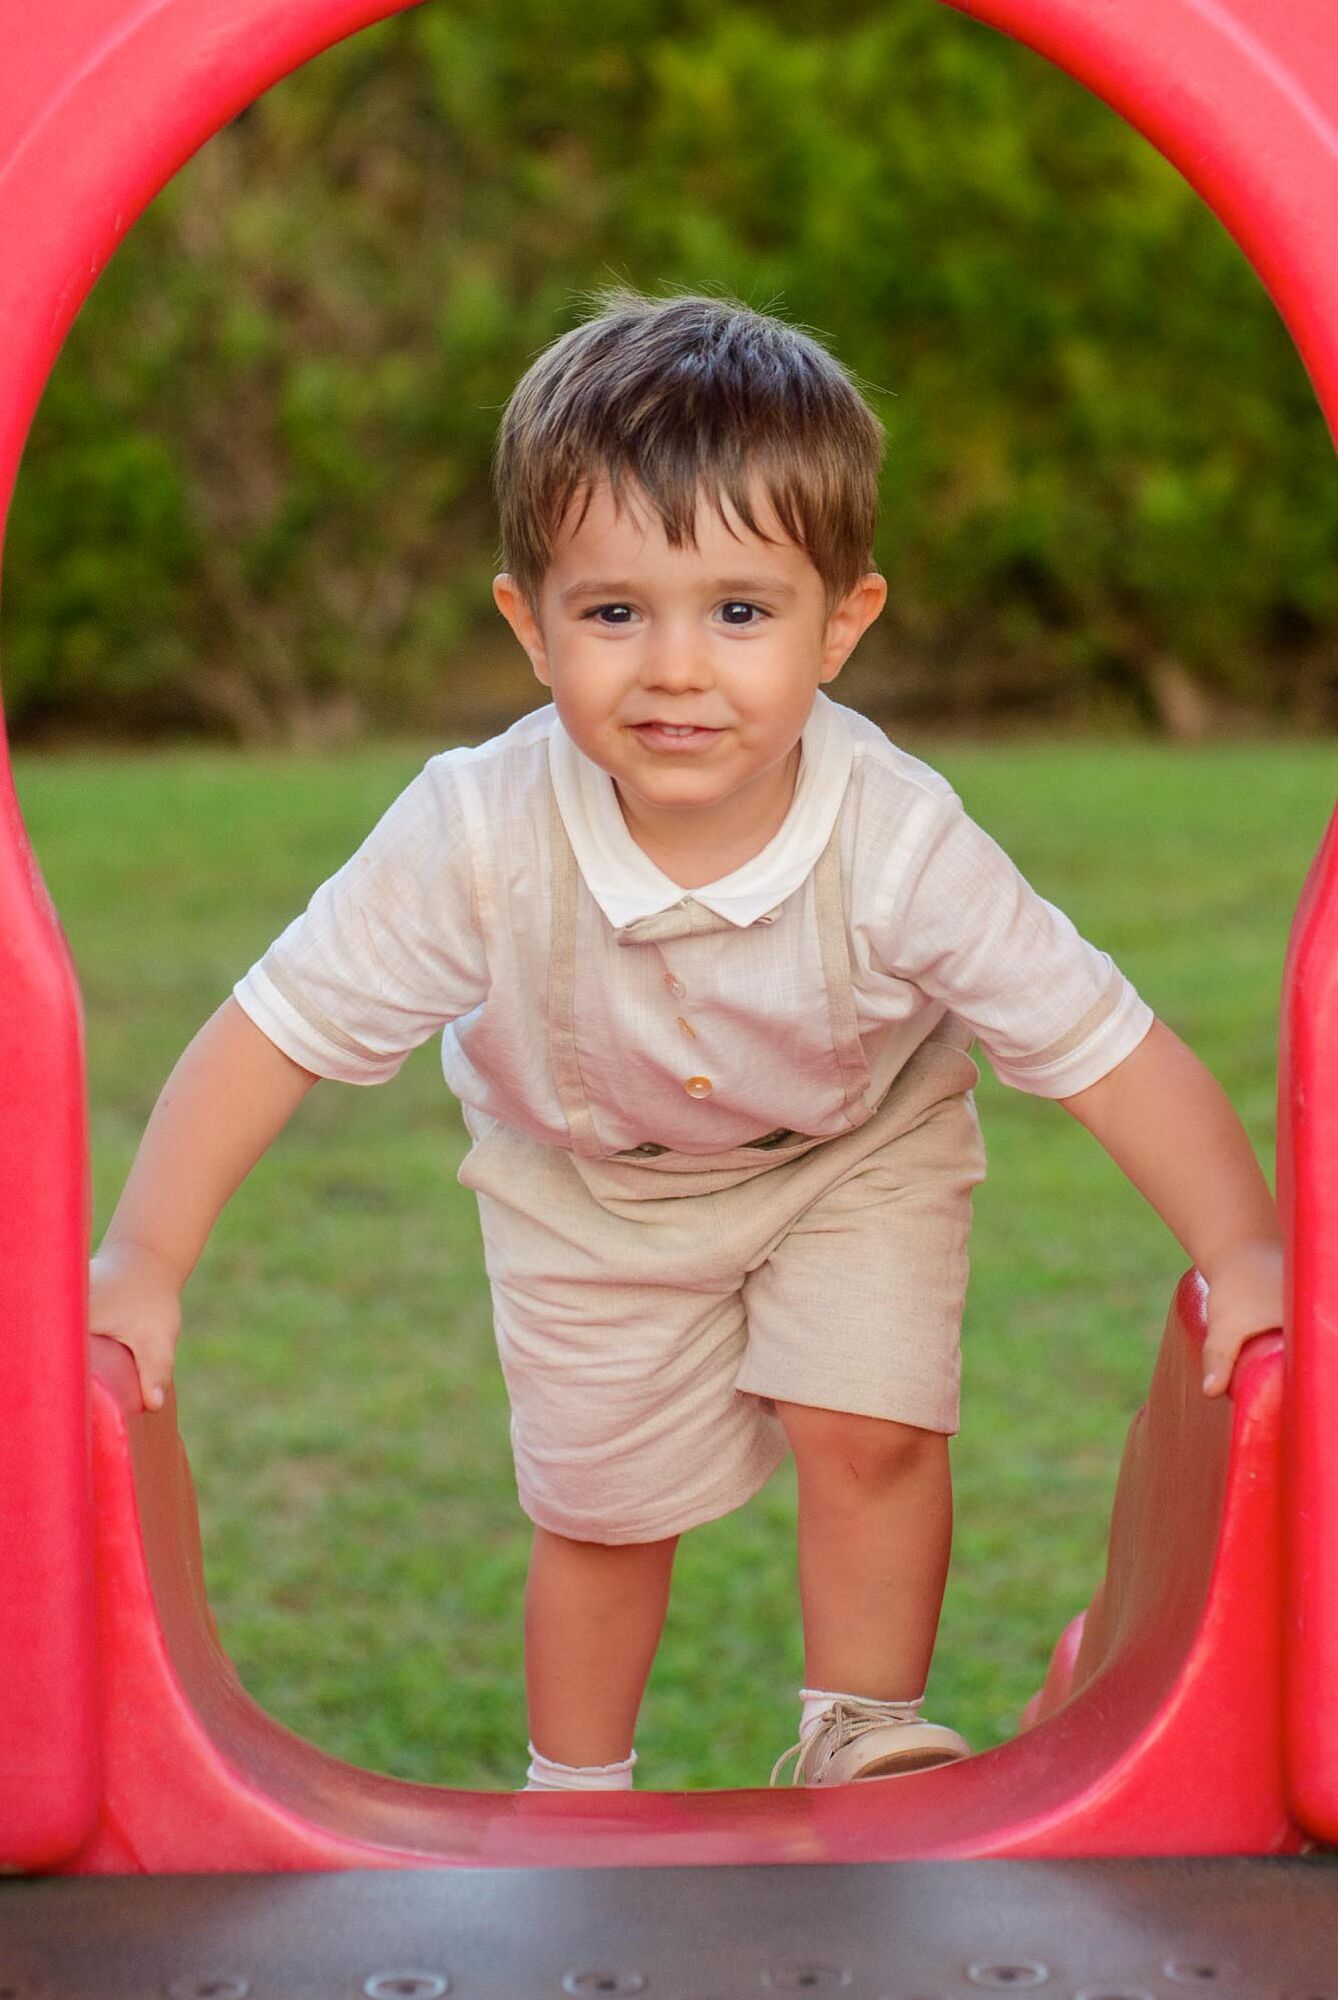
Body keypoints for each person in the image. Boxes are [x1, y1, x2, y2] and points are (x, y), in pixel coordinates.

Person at [89, 286, 1284, 1794]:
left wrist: (1240, 1249)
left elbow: (1099, 1046)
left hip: (856, 1150)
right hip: (582, 1187)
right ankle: (575, 1789)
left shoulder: (900, 837)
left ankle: (852, 1730)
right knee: (599, 1510)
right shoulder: (473, 832)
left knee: (876, 1428)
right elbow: (277, 1029)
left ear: (839, 624)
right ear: (528, 625)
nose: (673, 668)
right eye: (612, 612)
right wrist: (143, 1257)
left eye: (737, 610)